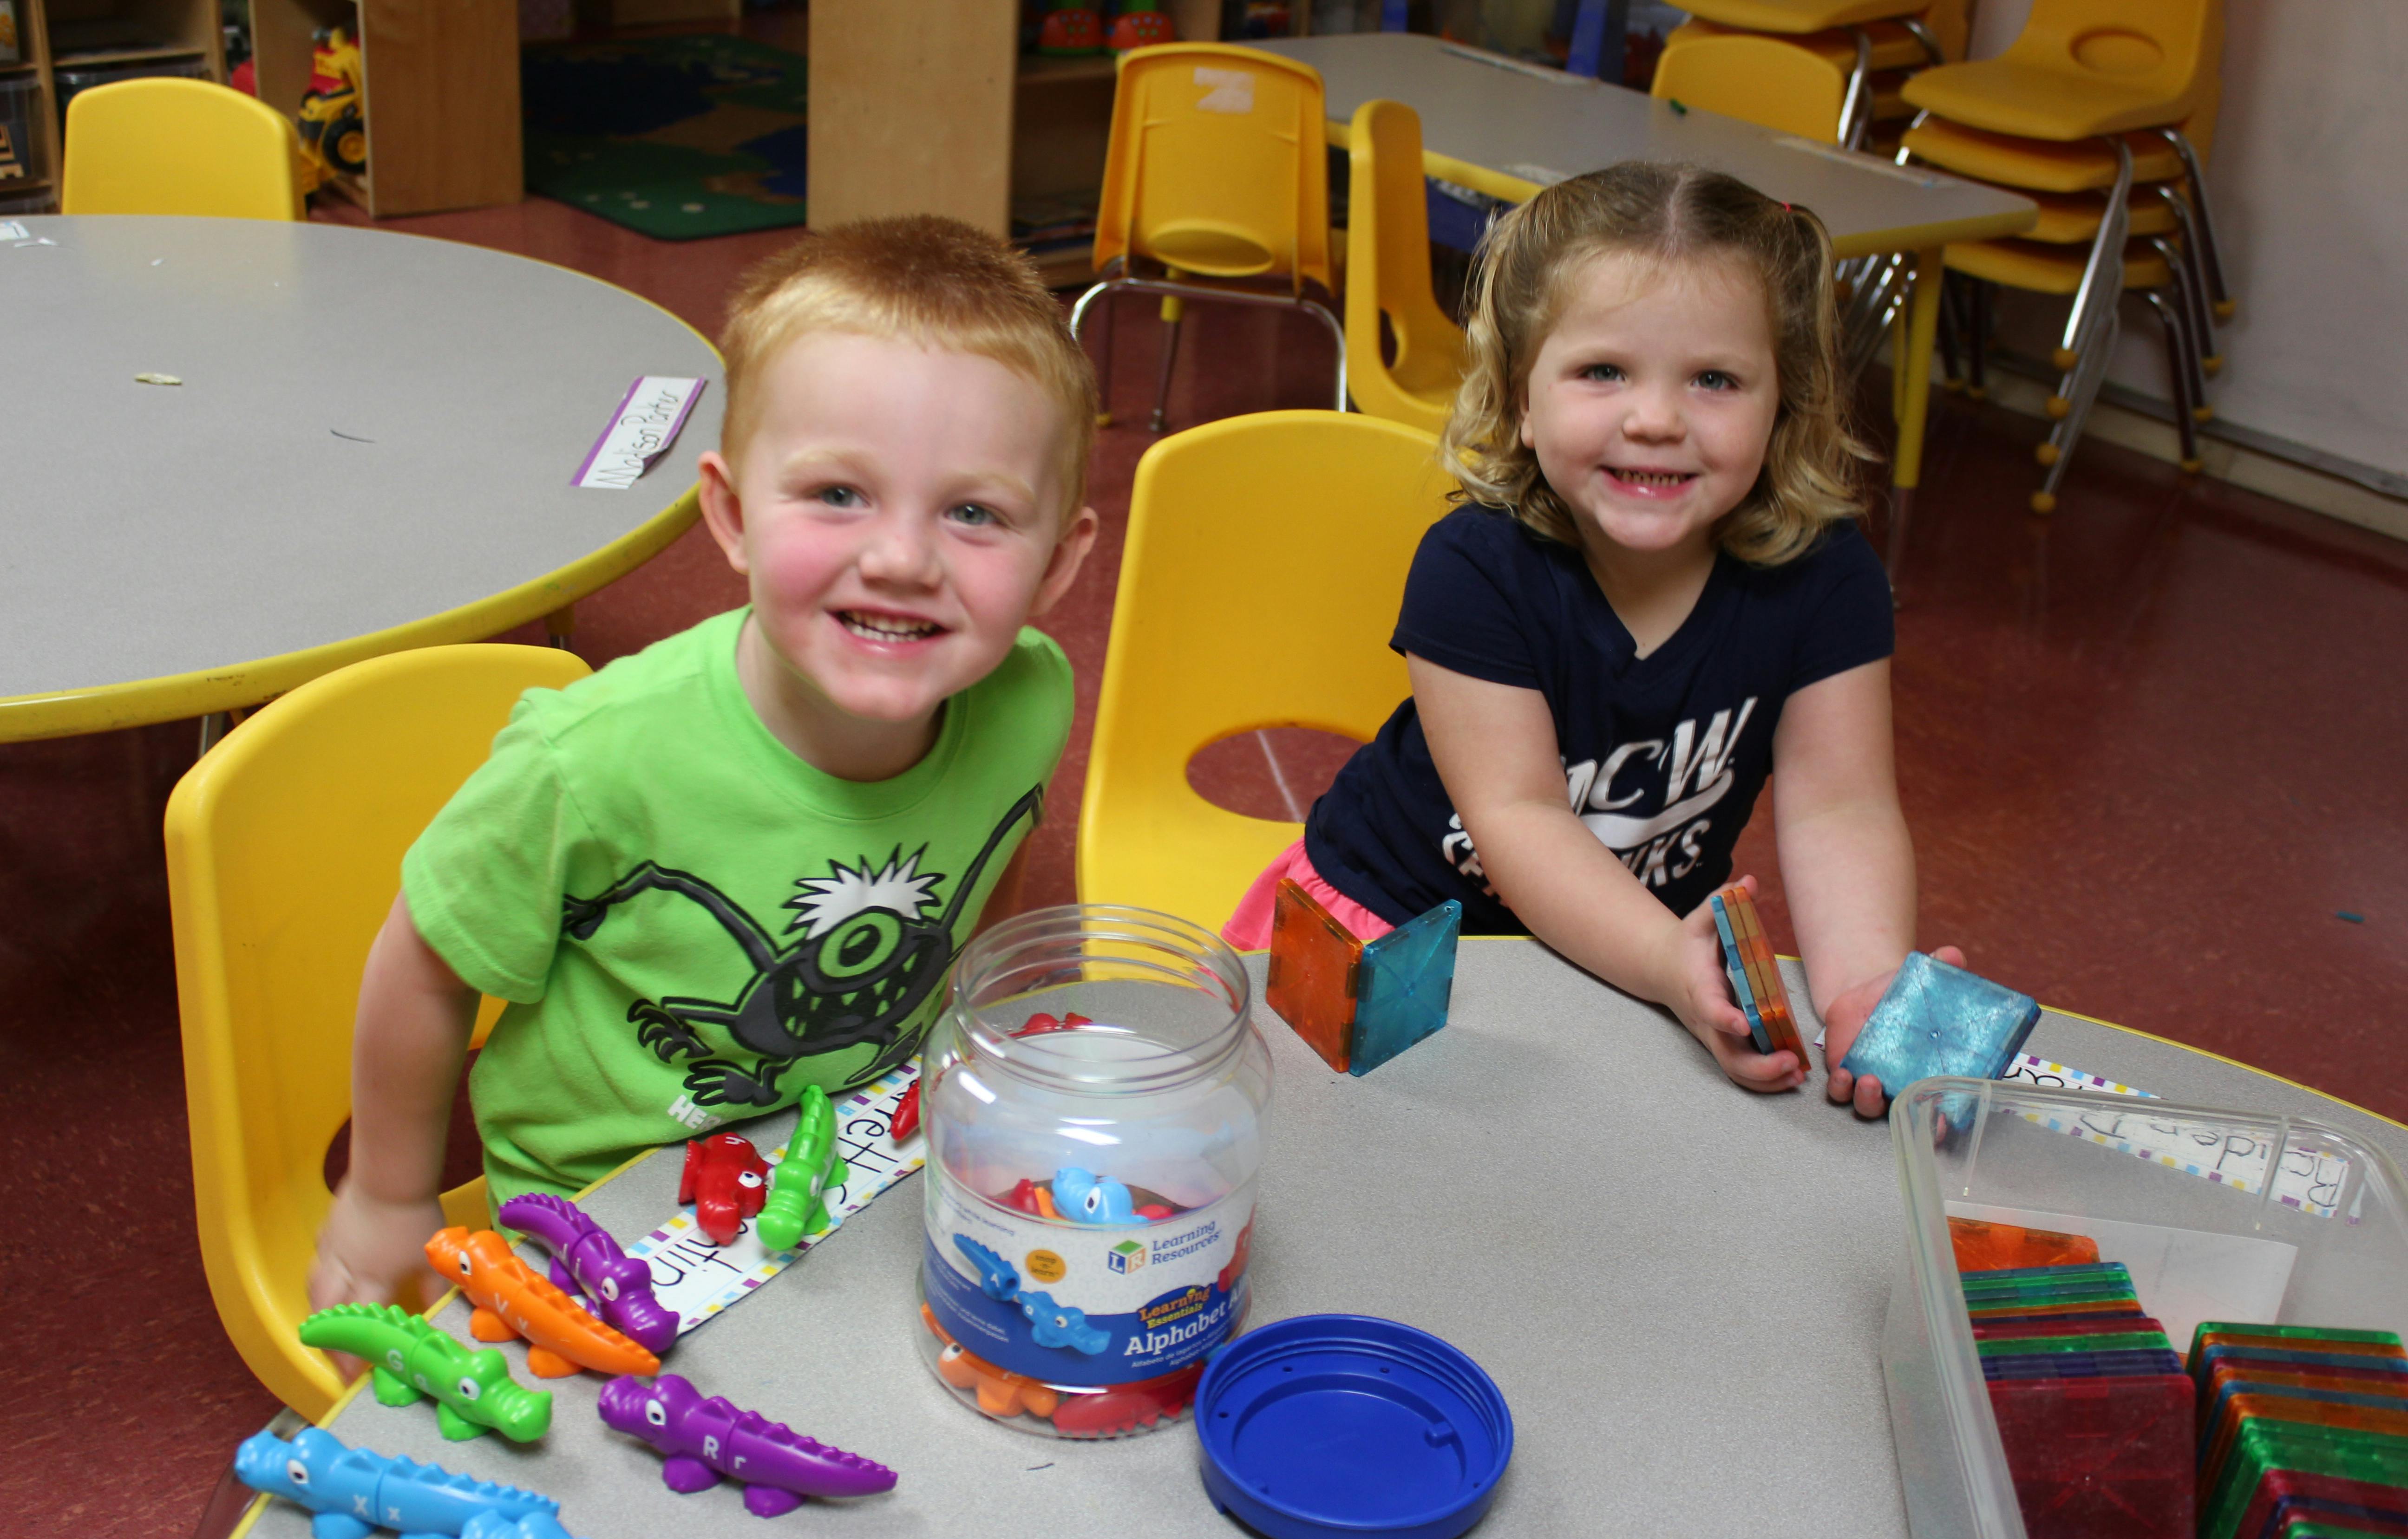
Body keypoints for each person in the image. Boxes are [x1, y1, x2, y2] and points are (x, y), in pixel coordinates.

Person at [309, 216, 1099, 1317]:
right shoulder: (590, 762)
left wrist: (966, 1026)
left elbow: (995, 846)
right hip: (602, 1206)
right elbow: (428, 962)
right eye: (838, 494)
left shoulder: (1032, 696)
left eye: (974, 513)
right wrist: (387, 1196)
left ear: (1059, 562)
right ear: (729, 514)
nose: (903, 558)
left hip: (871, 1148)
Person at [1224, 162, 1958, 1115]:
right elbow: (1521, 818)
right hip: (1393, 932)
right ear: (1522, 399)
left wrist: (1862, 983)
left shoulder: (1827, 579)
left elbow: (1840, 810)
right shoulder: (1473, 569)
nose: (1655, 419)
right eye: (1603, 371)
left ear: (1786, 403)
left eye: (1716, 379)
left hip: (1625, 958)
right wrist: (1668, 961)